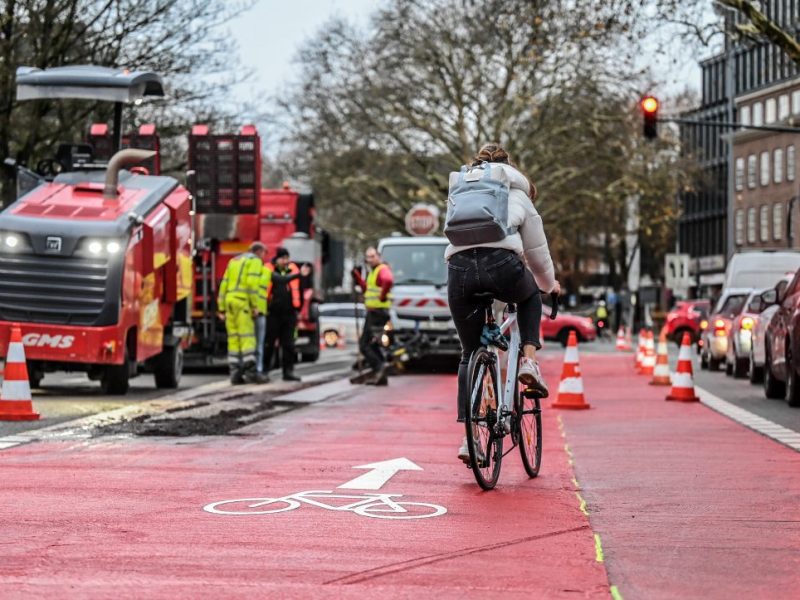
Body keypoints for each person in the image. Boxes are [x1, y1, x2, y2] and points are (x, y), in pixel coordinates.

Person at [446, 143, 560, 463]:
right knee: (529, 297)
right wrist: (549, 285)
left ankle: (469, 439)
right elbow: (537, 251)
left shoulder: (461, 191)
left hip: (459, 272)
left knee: (470, 353)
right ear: (511, 168)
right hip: (502, 266)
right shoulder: (519, 194)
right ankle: (528, 361)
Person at [217, 241, 269, 385]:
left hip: (229, 302)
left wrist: (221, 308)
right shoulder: (255, 261)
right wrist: (254, 306)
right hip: (243, 303)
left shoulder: (233, 261)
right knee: (247, 338)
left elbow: (224, 285)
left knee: (234, 339)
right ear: (259, 252)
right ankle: (252, 373)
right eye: (264, 254)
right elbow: (252, 285)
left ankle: (235, 374)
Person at [263, 247, 310, 382]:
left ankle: (288, 372)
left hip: (289, 314)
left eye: (287, 258)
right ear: (276, 259)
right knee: (269, 344)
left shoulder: (293, 268)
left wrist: (298, 308)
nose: (285, 261)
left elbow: (299, 289)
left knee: (288, 344)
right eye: (283, 258)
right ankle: (265, 370)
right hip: (272, 313)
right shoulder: (269, 269)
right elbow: (280, 280)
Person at [351, 247, 394, 385]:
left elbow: (388, 280)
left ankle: (379, 368)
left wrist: (381, 297)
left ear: (378, 256)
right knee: (372, 343)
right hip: (375, 311)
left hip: (377, 312)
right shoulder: (373, 272)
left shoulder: (382, 269)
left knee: (365, 345)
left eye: (372, 256)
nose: (370, 259)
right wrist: (357, 277)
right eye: (368, 257)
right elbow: (367, 289)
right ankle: (380, 371)